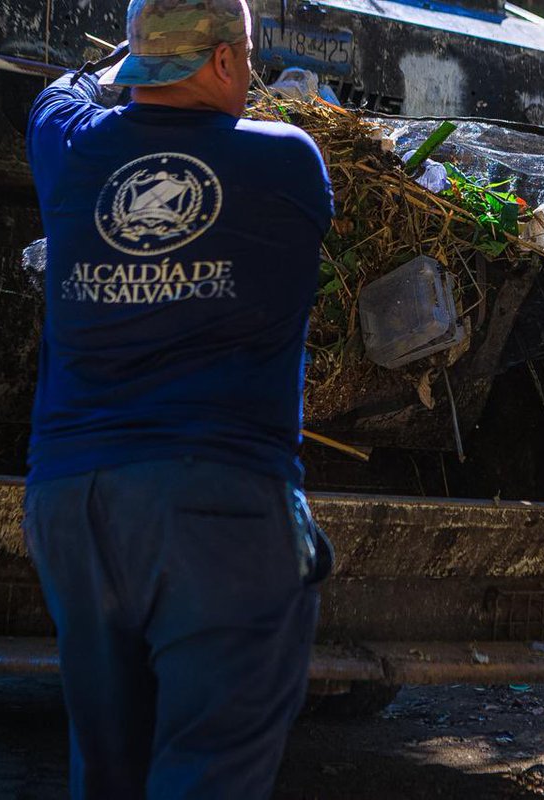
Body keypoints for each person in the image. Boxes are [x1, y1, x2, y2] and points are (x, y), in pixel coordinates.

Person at [23, 0, 334, 796]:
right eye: (249, 56)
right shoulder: (288, 164)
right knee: (209, 773)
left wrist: (127, 58)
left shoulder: (68, 149)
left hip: (75, 509)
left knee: (110, 776)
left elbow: (57, 95)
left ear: (138, 59)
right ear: (225, 62)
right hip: (217, 506)